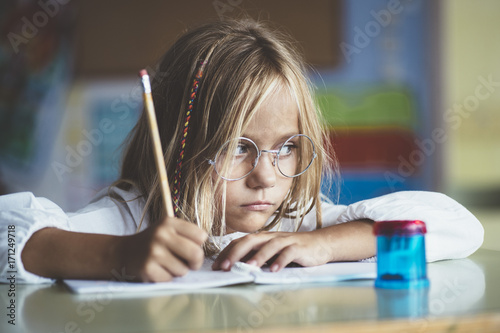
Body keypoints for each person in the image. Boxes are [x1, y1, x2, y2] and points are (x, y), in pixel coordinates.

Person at [0, 19, 483, 284]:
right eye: (237, 148)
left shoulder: (297, 221)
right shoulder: (133, 218)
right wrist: (117, 255)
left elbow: (459, 226)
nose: (267, 177)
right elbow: (6, 239)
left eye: (288, 148)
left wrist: (325, 244)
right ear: (178, 146)